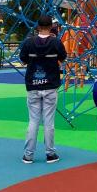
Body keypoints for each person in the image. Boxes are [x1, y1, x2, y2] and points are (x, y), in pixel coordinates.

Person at [19, 14, 68, 164]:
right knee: (49, 122)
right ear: (51, 27)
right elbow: (63, 57)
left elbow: (23, 59)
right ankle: (50, 154)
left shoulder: (29, 43)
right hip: (50, 86)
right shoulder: (56, 42)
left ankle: (28, 155)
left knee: (33, 121)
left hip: (33, 85)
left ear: (38, 27)